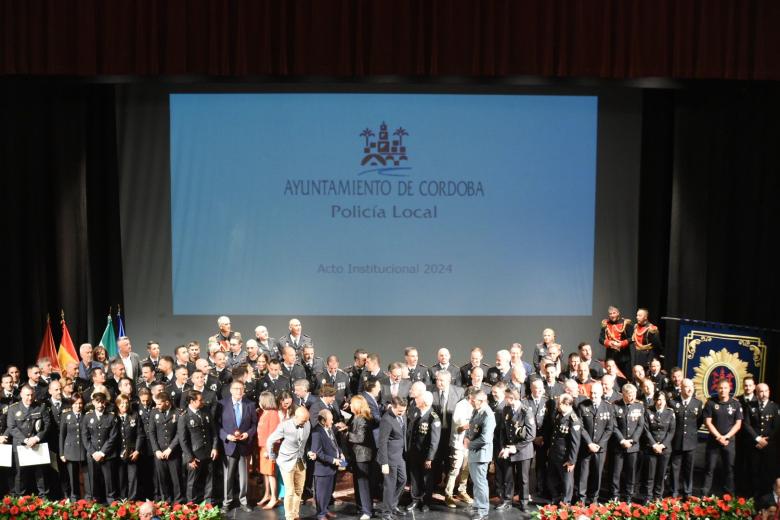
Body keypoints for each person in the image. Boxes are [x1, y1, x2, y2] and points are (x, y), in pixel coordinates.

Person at [218, 381, 258, 512]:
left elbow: (254, 425)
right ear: (230, 390)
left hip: (244, 445)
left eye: (241, 389)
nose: (239, 391)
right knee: (228, 477)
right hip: (229, 445)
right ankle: (227, 502)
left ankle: (244, 501)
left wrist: (247, 434)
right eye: (236, 389)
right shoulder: (222, 404)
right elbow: (217, 425)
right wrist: (226, 436)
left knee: (244, 476)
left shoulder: (250, 405)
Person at [266, 406, 312, 520]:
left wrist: (309, 452)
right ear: (296, 417)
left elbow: (305, 443)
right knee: (290, 491)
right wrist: (272, 456)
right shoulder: (285, 425)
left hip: (300, 461)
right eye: (303, 420)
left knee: (299, 489)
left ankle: (295, 514)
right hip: (286, 462)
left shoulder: (308, 424)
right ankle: (289, 517)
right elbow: (270, 440)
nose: (305, 423)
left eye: (307, 420)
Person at [7, 385, 51, 497]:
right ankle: (19, 499)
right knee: (20, 474)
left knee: (40, 473)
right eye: (27, 395)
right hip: (21, 445)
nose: (30, 398)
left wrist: (36, 438)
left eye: (32, 395)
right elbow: (12, 427)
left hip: (37, 444)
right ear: (21, 394)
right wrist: (25, 440)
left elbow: (47, 424)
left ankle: (44, 498)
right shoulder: (13, 408)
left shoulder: (41, 406)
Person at [701, 379, 743, 496]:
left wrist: (726, 437)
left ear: (729, 389)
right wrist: (719, 437)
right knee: (709, 469)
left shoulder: (736, 404)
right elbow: (708, 422)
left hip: (729, 442)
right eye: (720, 388)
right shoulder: (710, 403)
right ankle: (704, 496)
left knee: (729, 469)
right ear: (716, 389)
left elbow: (738, 424)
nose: (722, 390)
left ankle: (730, 496)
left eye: (725, 388)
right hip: (713, 442)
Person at [495, 389, 534, 511]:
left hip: (523, 450)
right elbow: (502, 430)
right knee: (508, 477)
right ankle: (507, 500)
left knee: (523, 479)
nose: (505, 400)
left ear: (512, 398)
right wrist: (503, 447)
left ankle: (524, 503)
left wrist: (515, 448)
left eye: (507, 397)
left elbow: (531, 435)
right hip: (508, 449)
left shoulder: (526, 412)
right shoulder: (506, 410)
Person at [575, 381, 613, 505]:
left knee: (597, 474)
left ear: (601, 393)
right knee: (583, 475)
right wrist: (589, 443)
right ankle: (581, 499)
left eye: (596, 393)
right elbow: (580, 427)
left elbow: (609, 428)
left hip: (600, 448)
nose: (593, 395)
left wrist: (599, 444)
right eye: (591, 393)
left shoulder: (608, 407)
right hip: (586, 447)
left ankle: (594, 499)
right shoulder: (582, 406)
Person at [179, 389, 219, 504]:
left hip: (208, 451)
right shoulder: (184, 416)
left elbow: (213, 432)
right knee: (192, 481)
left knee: (209, 479)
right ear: (191, 401)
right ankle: (191, 505)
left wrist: (215, 447)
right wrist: (190, 458)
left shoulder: (205, 411)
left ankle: (208, 503)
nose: (203, 402)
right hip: (194, 454)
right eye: (200, 400)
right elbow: (183, 440)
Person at [609, 383, 644, 502]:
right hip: (619, 445)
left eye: (634, 394)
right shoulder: (615, 406)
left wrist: (633, 440)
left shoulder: (639, 406)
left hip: (633, 446)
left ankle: (629, 495)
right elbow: (613, 426)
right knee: (616, 473)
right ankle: (615, 495)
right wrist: (622, 440)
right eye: (630, 394)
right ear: (623, 394)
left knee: (631, 472)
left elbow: (640, 425)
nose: (633, 397)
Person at [742, 382, 779, 495]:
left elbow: (777, 427)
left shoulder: (775, 407)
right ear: (756, 393)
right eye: (761, 391)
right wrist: (758, 439)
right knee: (753, 471)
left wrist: (766, 441)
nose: (764, 394)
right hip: (754, 445)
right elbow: (746, 424)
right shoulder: (749, 406)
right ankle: (753, 497)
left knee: (767, 472)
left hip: (769, 446)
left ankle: (767, 498)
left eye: (766, 391)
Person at [407, 391, 441, 513]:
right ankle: (415, 499)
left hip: (426, 455)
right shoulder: (416, 412)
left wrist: (430, 458)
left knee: (427, 479)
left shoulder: (433, 417)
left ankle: (426, 502)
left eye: (418, 398)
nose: (416, 400)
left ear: (425, 402)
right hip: (414, 452)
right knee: (415, 477)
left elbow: (434, 441)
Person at [148, 391, 184, 504]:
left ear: (167, 402)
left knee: (176, 479)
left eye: (159, 404)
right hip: (159, 452)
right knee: (162, 479)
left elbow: (180, 433)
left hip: (173, 452)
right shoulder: (154, 412)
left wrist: (170, 448)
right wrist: (156, 450)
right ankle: (166, 502)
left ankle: (178, 502)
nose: (156, 406)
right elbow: (151, 432)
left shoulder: (178, 413)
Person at [82, 392, 119, 503]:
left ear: (105, 403)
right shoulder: (87, 417)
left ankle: (111, 501)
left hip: (107, 455)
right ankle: (95, 501)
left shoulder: (111, 417)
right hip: (92, 455)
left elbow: (113, 437)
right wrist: (94, 453)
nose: (100, 405)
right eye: (97, 402)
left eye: (102, 402)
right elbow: (85, 437)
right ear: (93, 402)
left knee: (109, 481)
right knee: (93, 480)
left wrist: (102, 453)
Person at [309, 409, 345, 520]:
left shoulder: (328, 429)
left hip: (331, 468)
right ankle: (320, 514)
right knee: (321, 494)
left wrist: (341, 453)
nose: (333, 422)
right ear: (324, 420)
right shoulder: (316, 432)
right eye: (331, 420)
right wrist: (334, 460)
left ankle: (325, 510)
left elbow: (334, 444)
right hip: (322, 469)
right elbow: (318, 453)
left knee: (328, 492)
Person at [639, 391, 675, 501]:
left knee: (661, 475)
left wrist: (662, 445)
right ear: (655, 400)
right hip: (651, 448)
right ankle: (648, 497)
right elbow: (646, 430)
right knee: (650, 475)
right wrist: (654, 445)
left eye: (663, 400)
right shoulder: (648, 411)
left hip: (665, 449)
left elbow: (671, 431)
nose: (660, 402)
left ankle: (658, 497)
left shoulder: (670, 412)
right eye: (658, 399)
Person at [546, 393, 581, 505]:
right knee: (552, 478)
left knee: (567, 481)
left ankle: (566, 502)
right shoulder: (559, 415)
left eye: (559, 403)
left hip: (565, 456)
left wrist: (571, 460)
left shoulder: (573, 420)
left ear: (566, 404)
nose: (557, 405)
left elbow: (575, 442)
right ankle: (555, 497)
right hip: (554, 453)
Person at [669, 378, 702, 499]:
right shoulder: (672, 402)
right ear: (681, 388)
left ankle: (687, 492)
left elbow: (699, 421)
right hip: (676, 440)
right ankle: (674, 491)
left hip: (691, 441)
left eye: (691, 386)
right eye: (686, 387)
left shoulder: (697, 403)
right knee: (675, 467)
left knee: (689, 468)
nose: (689, 389)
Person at [378, 396, 408, 520]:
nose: (402, 413)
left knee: (403, 480)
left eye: (404, 410)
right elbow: (382, 442)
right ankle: (386, 512)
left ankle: (393, 505)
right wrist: (384, 462)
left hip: (399, 456)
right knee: (389, 485)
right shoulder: (386, 419)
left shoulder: (403, 415)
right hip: (389, 458)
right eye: (400, 411)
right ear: (393, 407)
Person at [466, 389, 494, 520]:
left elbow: (485, 439)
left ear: (482, 401)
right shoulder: (476, 411)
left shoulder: (488, 415)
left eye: (473, 400)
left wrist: (469, 445)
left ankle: (483, 510)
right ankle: (477, 505)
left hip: (481, 453)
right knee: (476, 482)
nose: (471, 402)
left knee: (481, 482)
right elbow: (471, 427)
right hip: (474, 452)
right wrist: (466, 437)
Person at [346, 395, 376, 520]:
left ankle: (367, 511)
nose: (350, 406)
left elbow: (360, 438)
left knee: (363, 484)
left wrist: (347, 434)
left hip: (362, 456)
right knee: (360, 484)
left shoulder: (362, 419)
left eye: (352, 404)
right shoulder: (356, 417)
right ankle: (363, 507)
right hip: (358, 455)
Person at [115, 394, 144, 500]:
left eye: (127, 403)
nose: (125, 405)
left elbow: (140, 434)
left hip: (131, 451)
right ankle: (122, 498)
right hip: (117, 452)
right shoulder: (114, 416)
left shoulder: (134, 415)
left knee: (133, 477)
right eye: (122, 403)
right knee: (120, 477)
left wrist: (137, 450)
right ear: (117, 404)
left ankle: (132, 499)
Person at [59, 393, 87, 501]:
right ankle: (74, 498)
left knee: (86, 477)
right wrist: (61, 453)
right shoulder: (66, 415)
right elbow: (62, 435)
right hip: (70, 451)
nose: (78, 406)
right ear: (72, 404)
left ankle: (87, 497)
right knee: (72, 477)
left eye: (80, 403)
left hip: (84, 450)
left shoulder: (87, 415)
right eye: (75, 403)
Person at [257, 391, 281, 509]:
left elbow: (273, 434)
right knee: (265, 473)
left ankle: (274, 498)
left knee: (271, 473)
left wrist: (269, 450)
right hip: (262, 448)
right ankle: (267, 494)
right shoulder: (264, 413)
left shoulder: (272, 414)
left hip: (268, 449)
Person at [599, 306, 633, 379]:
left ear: (618, 313)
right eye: (610, 314)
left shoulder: (625, 323)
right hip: (611, 357)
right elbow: (601, 339)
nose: (612, 315)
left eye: (614, 313)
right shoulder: (606, 324)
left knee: (626, 378)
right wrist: (609, 343)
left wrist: (621, 344)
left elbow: (632, 338)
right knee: (611, 378)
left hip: (624, 357)